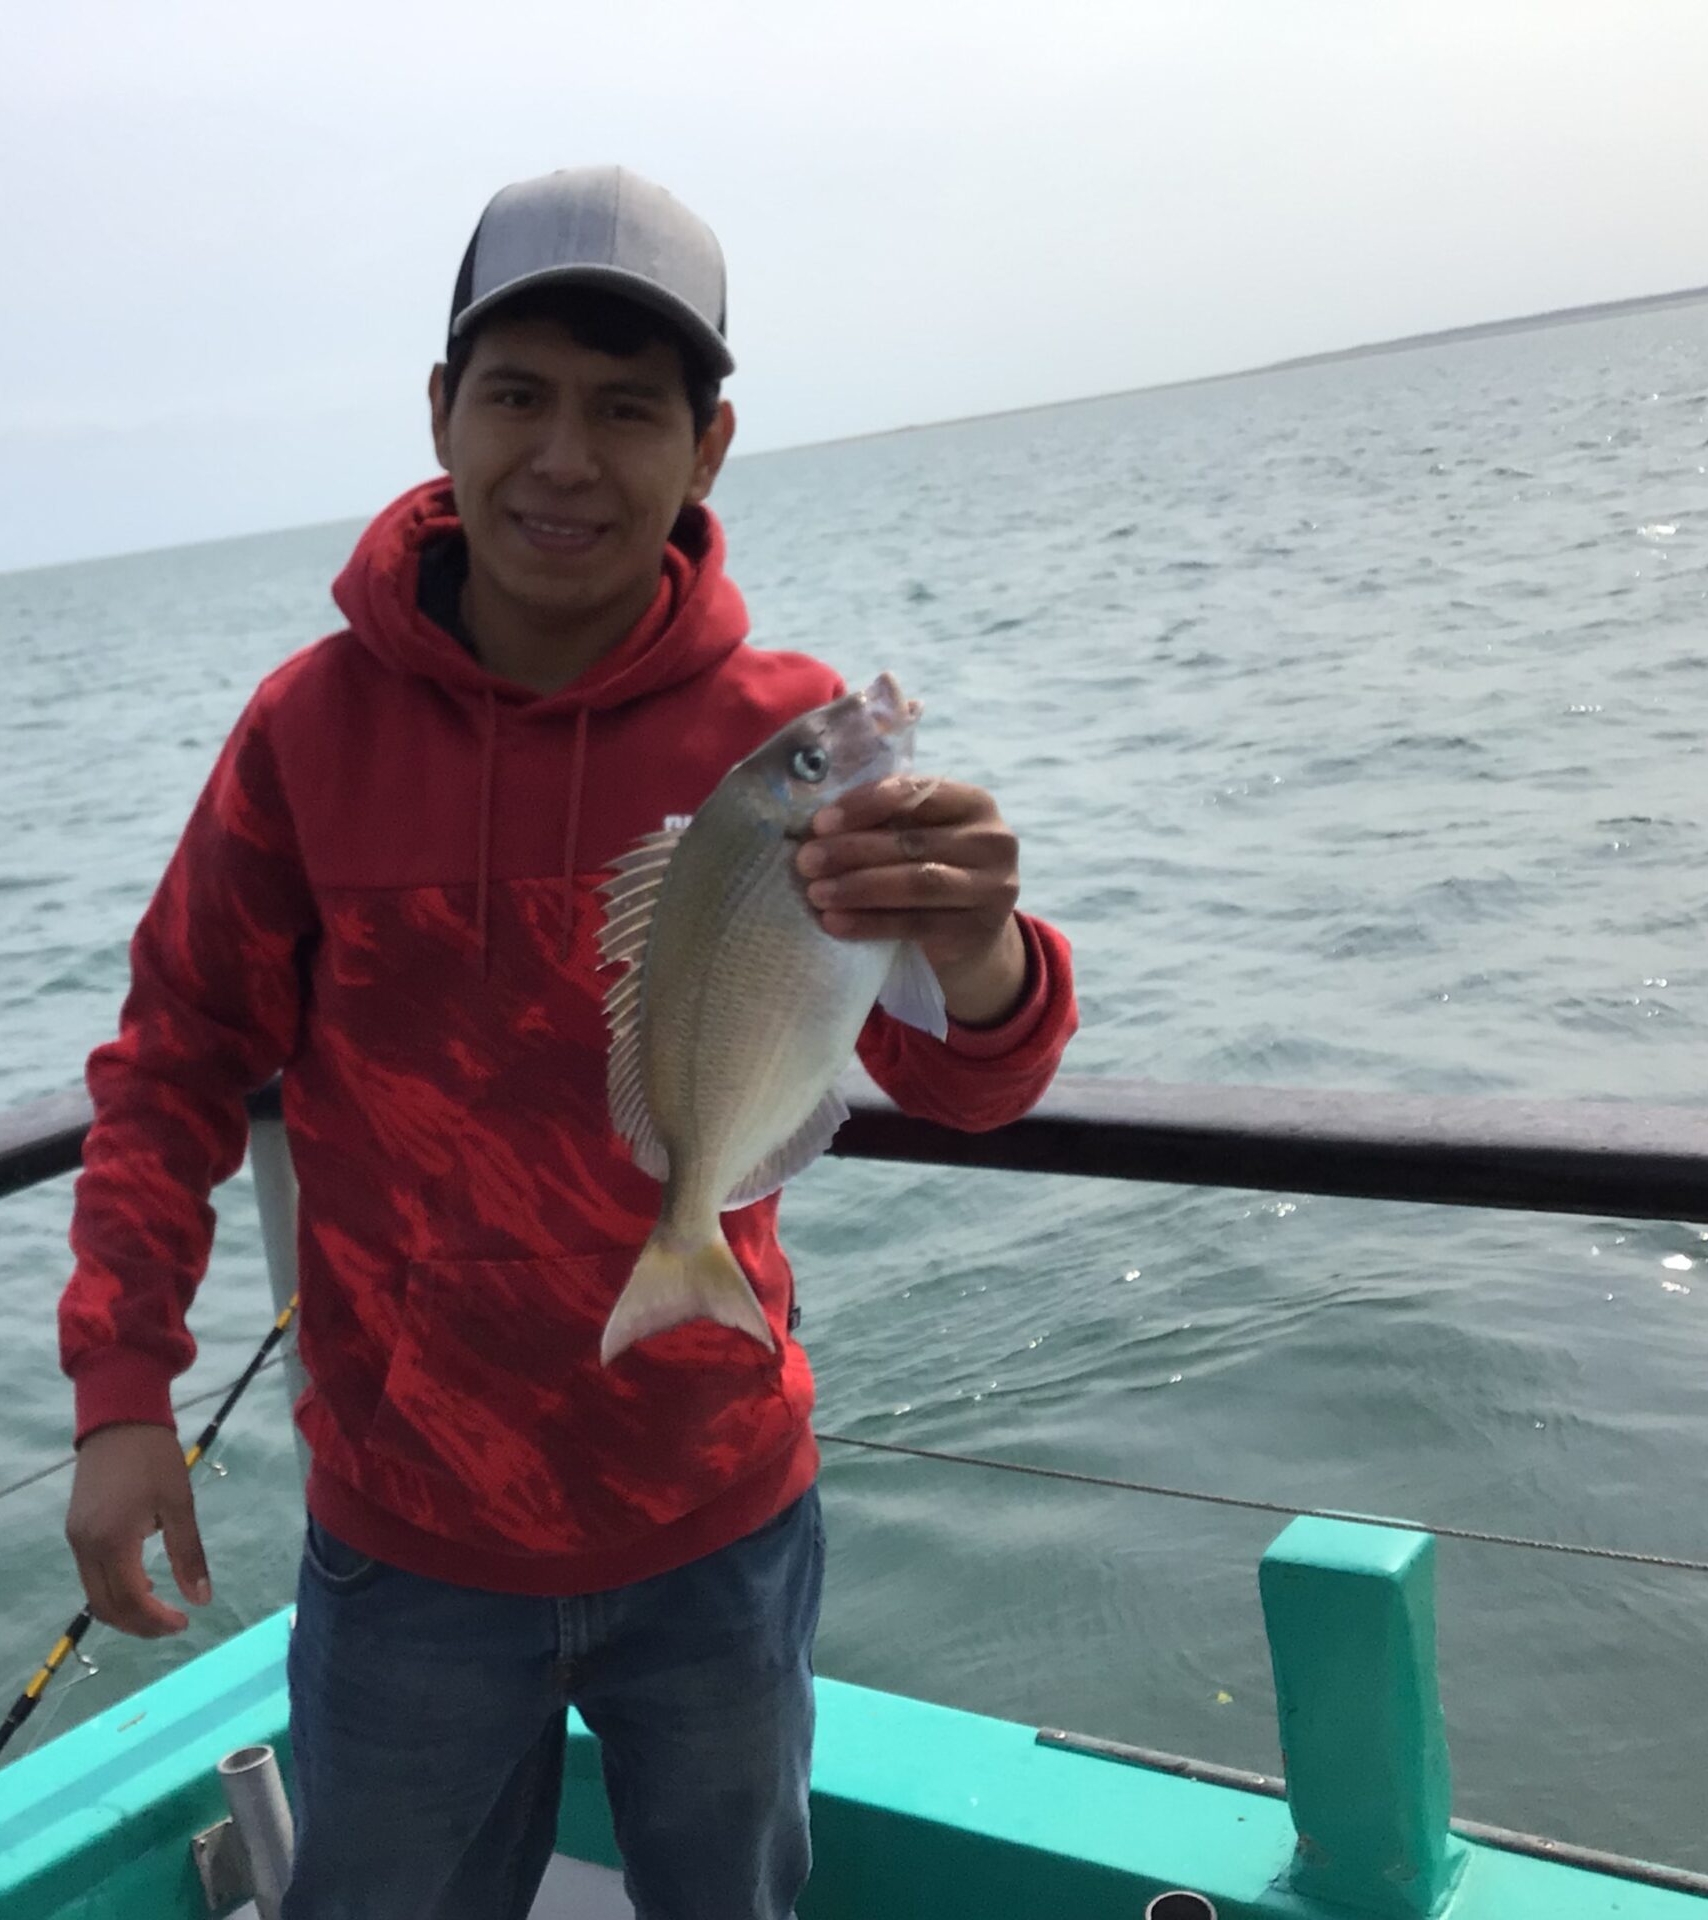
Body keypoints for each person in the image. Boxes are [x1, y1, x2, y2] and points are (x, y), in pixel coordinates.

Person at [59, 165, 1079, 1920]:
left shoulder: (793, 741)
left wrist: (982, 948)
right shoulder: (306, 735)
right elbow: (168, 1065)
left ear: (711, 446)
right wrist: (121, 1395)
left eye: (628, 409)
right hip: (404, 1539)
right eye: (518, 394)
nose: (565, 457)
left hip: (719, 1514)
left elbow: (970, 1082)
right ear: (440, 414)